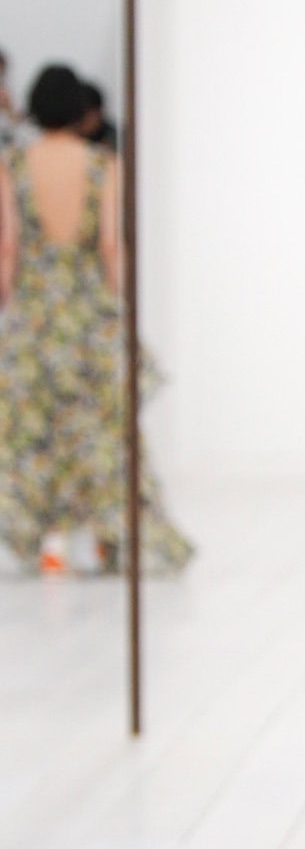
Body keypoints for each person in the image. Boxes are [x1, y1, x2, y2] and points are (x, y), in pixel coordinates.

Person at [0, 64, 191, 574]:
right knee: (100, 429)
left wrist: (12, 307)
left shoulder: (13, 165)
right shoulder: (104, 165)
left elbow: (8, 247)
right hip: (87, 313)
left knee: (33, 430)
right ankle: (105, 536)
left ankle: (43, 537)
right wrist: (120, 305)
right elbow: (110, 244)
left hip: (36, 313)